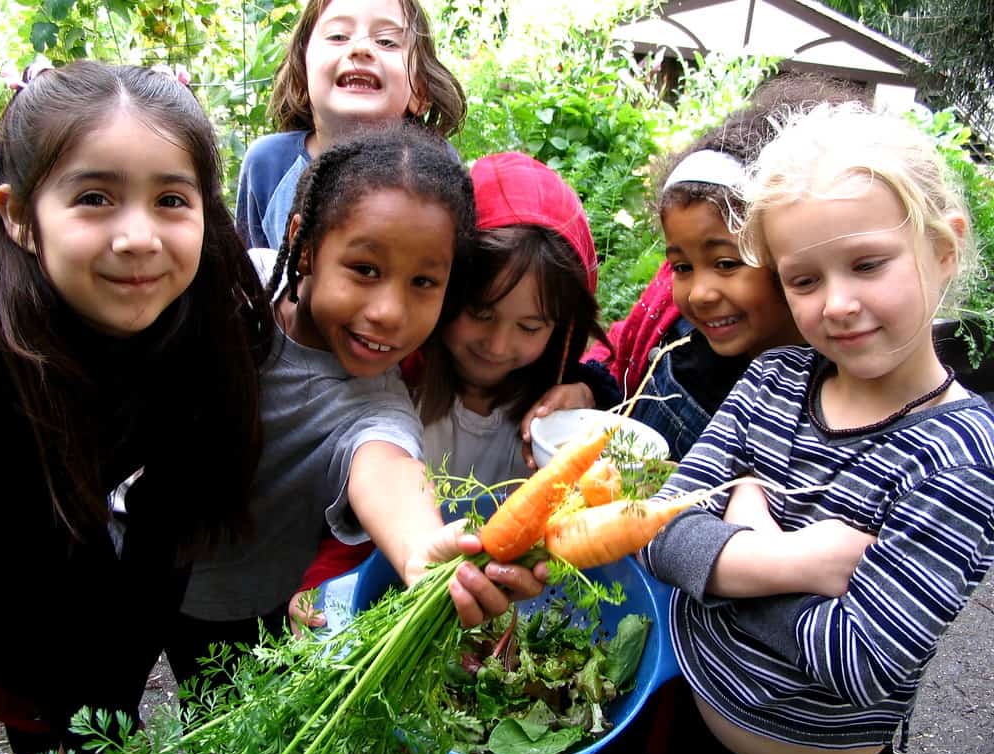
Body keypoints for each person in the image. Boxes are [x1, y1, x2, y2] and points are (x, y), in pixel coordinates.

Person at [643, 102, 994, 754]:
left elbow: (859, 660)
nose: (835, 303)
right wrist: (795, 561)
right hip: (691, 726)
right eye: (804, 279)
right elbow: (658, 530)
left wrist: (734, 539)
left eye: (867, 265)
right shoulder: (775, 377)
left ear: (943, 250)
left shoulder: (961, 454)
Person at [0, 60, 276, 754]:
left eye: (171, 199)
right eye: (95, 198)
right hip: (15, 625)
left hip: (130, 567)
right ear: (18, 215)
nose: (138, 236)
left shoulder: (212, 314)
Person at [166, 124, 546, 687]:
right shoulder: (232, 289)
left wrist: (424, 553)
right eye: (364, 270)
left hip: (234, 610)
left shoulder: (375, 408)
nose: (390, 311)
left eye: (423, 282)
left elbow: (387, 468)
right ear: (306, 244)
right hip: (123, 561)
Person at [579, 75, 864, 461]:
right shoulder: (673, 324)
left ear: (788, 259)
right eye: (681, 266)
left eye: (727, 263)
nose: (699, 293)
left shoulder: (824, 394)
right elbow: (616, 362)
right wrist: (588, 389)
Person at [405, 151, 618, 486]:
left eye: (530, 327)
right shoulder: (398, 384)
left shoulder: (557, 404)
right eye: (480, 312)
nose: (498, 345)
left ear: (562, 328)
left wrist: (588, 398)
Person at [236, 0, 465, 250]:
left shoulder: (438, 165)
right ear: (303, 74)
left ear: (419, 91)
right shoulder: (267, 164)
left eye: (387, 41)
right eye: (338, 36)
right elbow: (253, 276)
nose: (361, 48)